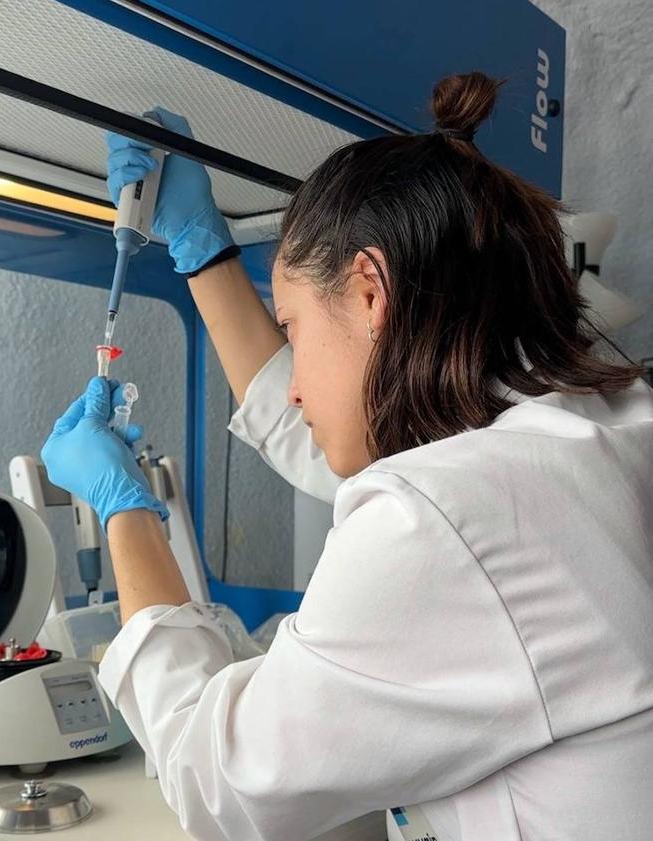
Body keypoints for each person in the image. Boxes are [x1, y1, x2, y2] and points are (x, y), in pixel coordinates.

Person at [41, 72, 653, 841]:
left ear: (371, 290)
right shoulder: (596, 425)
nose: (292, 388)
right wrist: (201, 253)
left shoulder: (445, 513)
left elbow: (218, 781)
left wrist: (125, 511)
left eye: (291, 329)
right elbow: (349, 445)